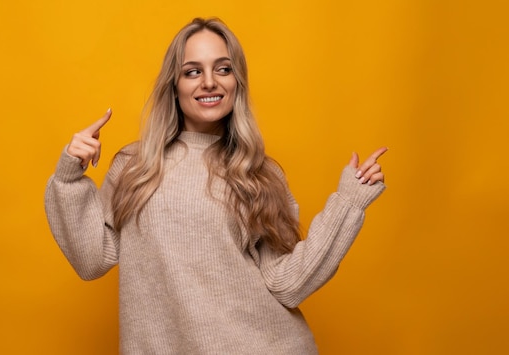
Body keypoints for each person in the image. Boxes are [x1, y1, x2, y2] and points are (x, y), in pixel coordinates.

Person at [45, 17, 387, 354]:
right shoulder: (135, 167)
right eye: (192, 71)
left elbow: (287, 284)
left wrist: (348, 202)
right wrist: (69, 176)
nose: (209, 82)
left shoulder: (258, 173)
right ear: (174, 86)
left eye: (223, 69)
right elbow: (91, 259)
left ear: (237, 82)